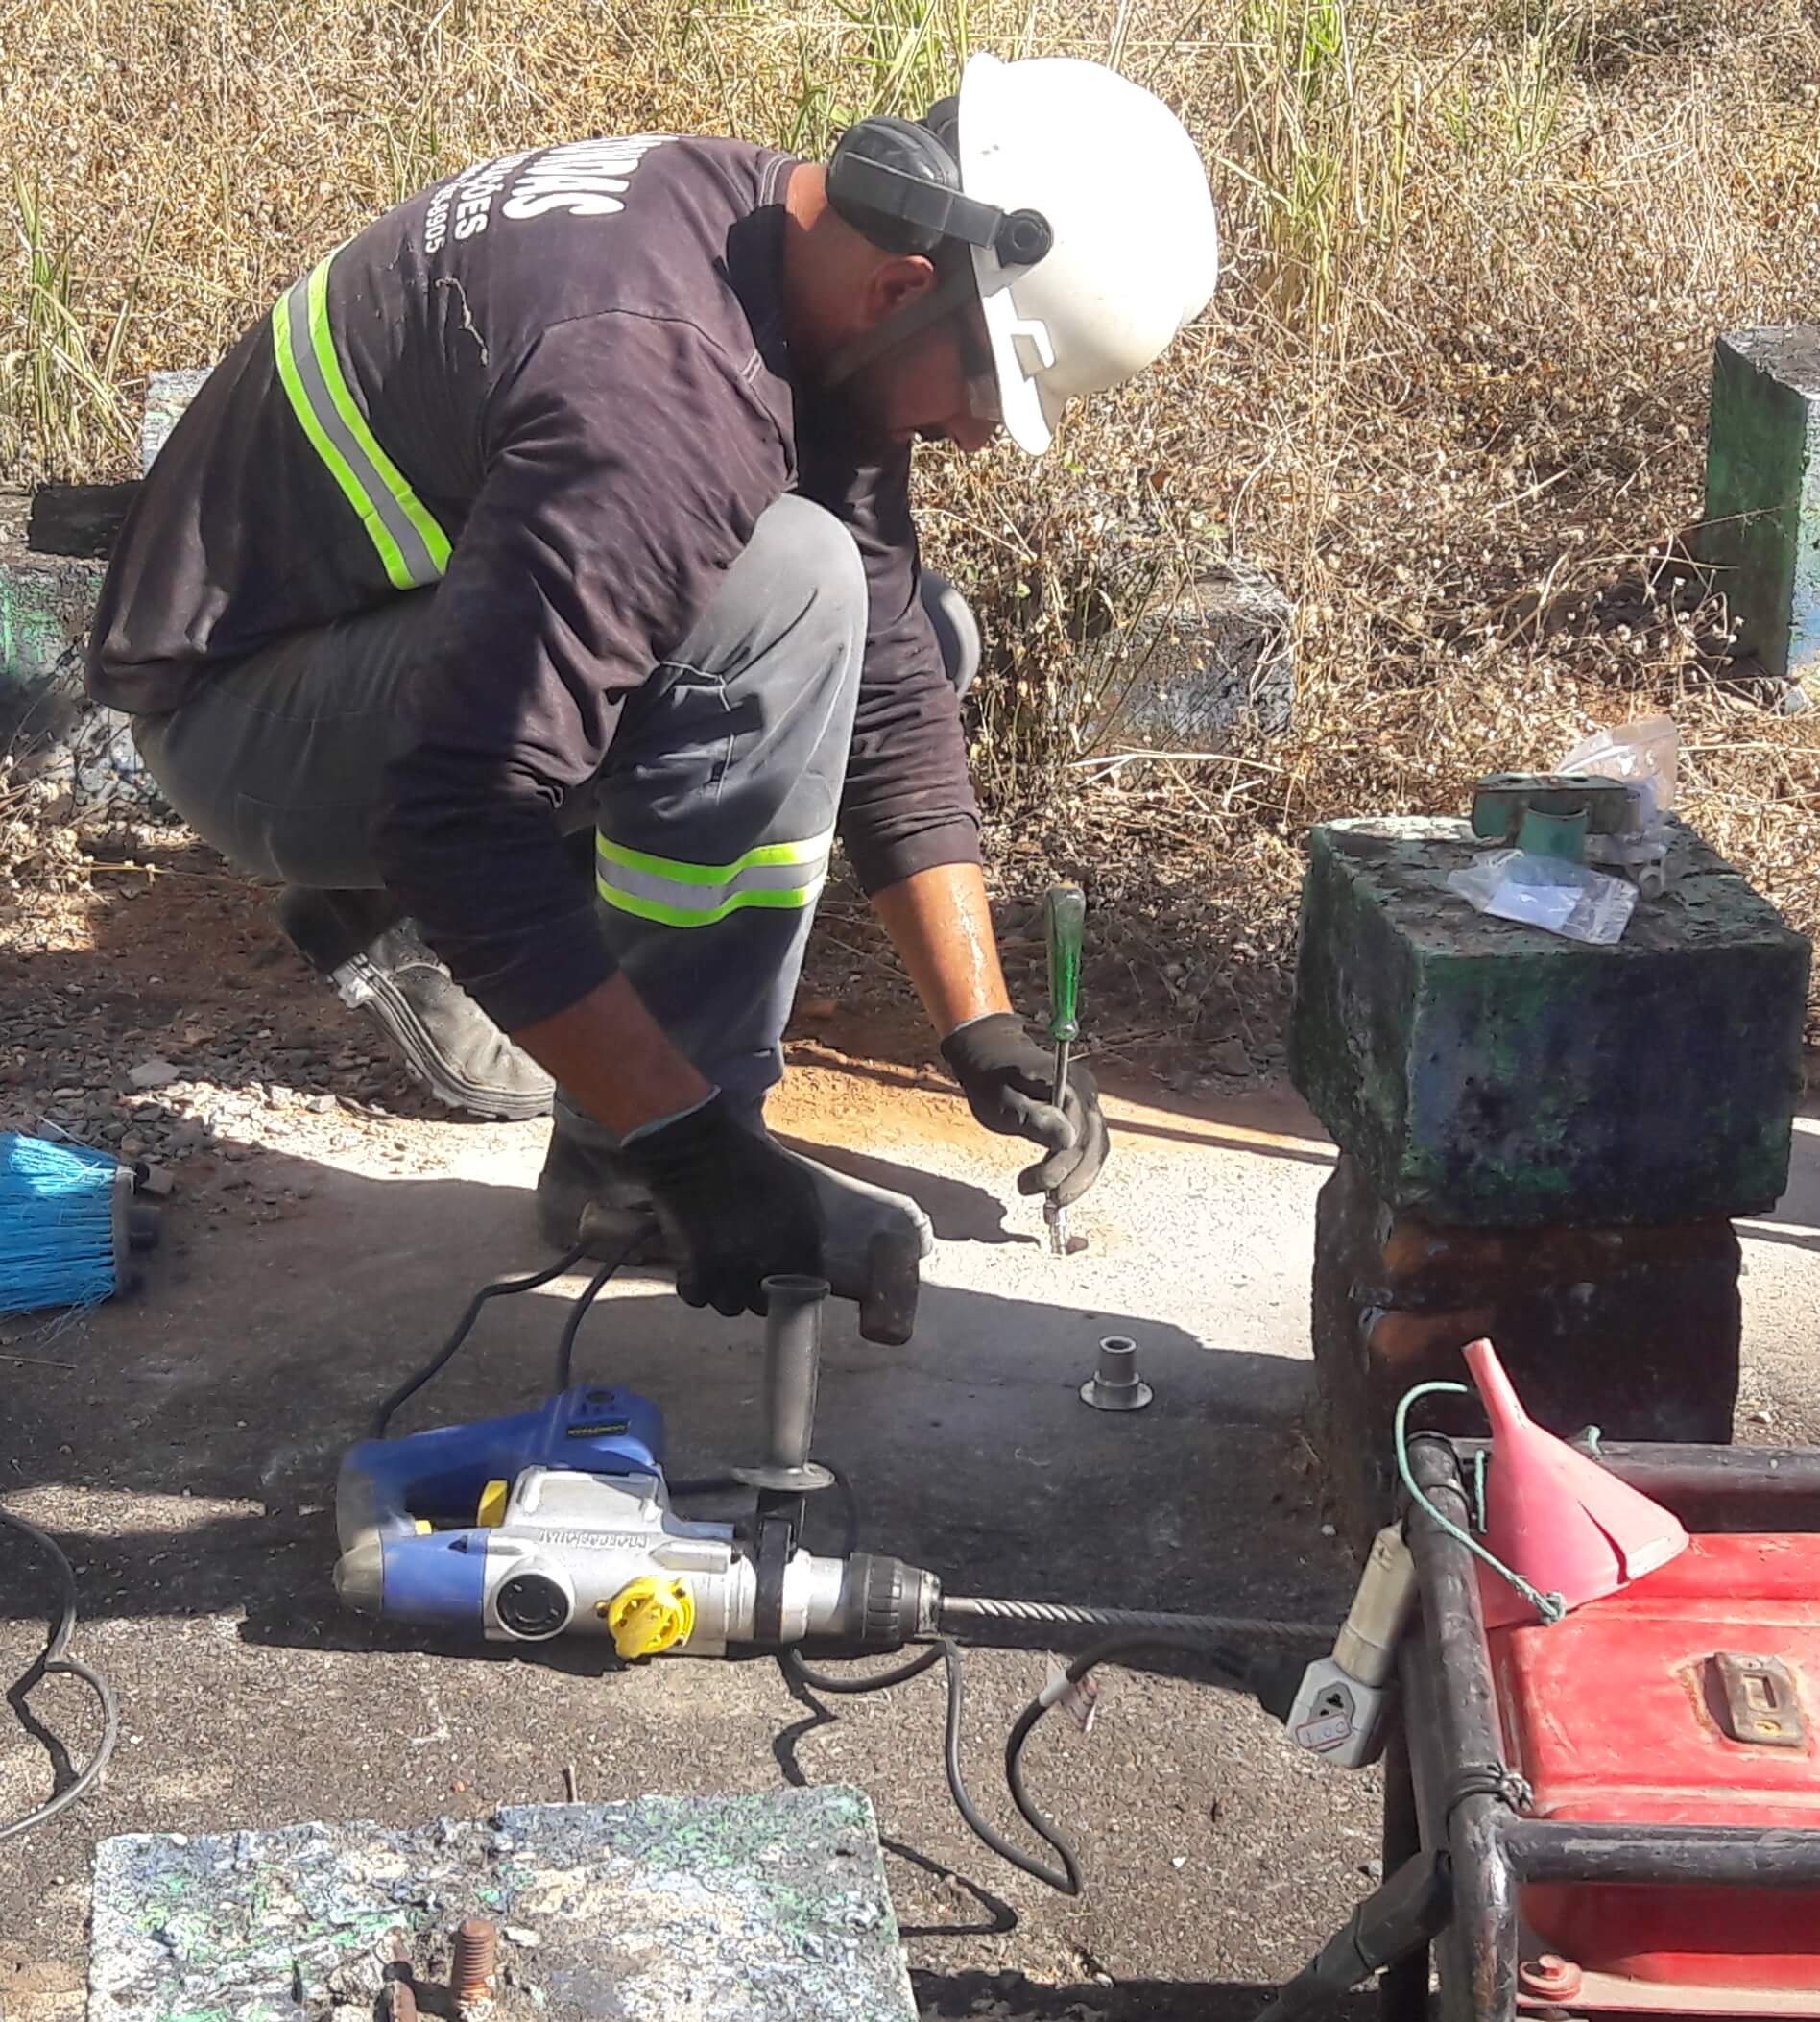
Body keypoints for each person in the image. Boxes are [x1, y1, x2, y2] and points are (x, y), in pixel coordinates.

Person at [84, 55, 1218, 1325]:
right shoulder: (657, 386)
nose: (970, 437)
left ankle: (510, 978)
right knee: (781, 593)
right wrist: (693, 1149)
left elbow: (894, 677)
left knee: (905, 625)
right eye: (984, 393)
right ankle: (624, 1172)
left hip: (379, 644)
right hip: (245, 712)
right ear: (906, 286)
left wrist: (985, 1029)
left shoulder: (773, 244)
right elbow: (460, 820)